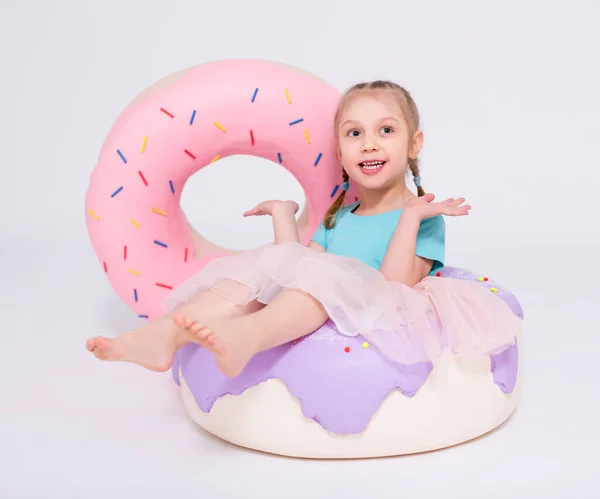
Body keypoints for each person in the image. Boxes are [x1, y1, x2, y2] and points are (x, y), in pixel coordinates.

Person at [86, 80, 520, 377]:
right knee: (266, 266)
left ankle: (248, 338)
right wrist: (282, 215)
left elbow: (393, 288)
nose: (369, 143)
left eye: (385, 130)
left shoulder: (423, 217)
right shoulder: (338, 217)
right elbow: (292, 267)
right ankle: (164, 335)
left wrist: (408, 218)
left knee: (323, 277)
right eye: (354, 133)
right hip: (318, 290)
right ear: (341, 150)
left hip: (372, 304)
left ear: (413, 144)